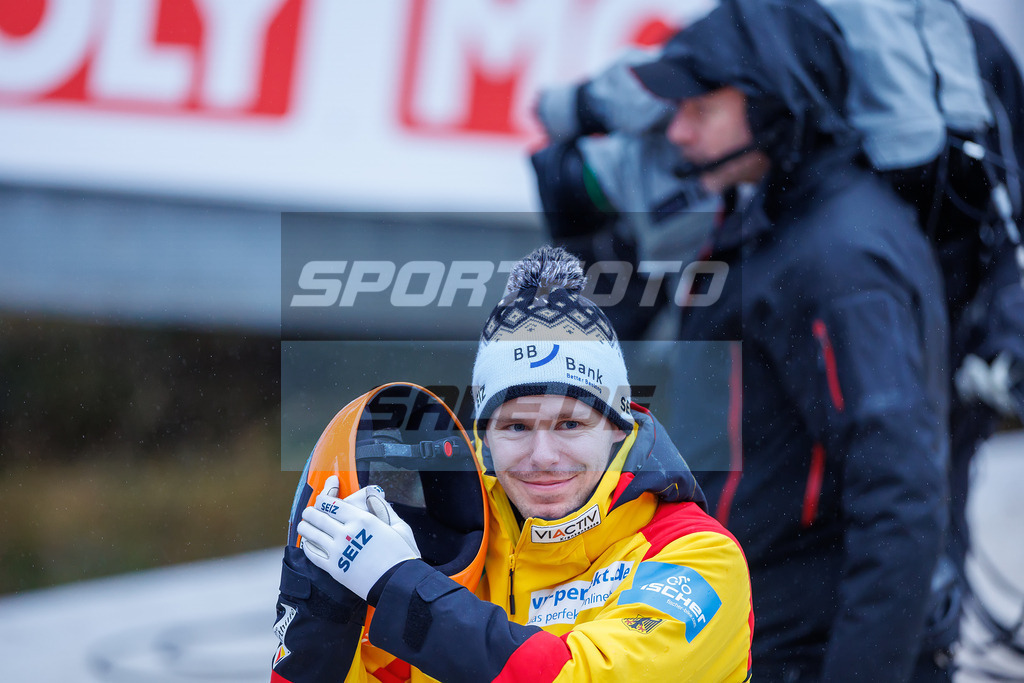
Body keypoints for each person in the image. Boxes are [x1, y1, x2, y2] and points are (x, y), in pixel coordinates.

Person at [622, 1, 953, 680]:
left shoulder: (840, 259)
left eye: (702, 109)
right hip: (749, 630)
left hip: (810, 649)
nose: (677, 132)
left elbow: (901, 500)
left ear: (777, 104)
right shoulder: (772, 219)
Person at [271, 245, 755, 682]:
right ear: (484, 437)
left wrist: (404, 588)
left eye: (570, 425)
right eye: (516, 427)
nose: (543, 457)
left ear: (617, 428)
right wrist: (323, 613)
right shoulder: (453, 551)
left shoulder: (700, 558)